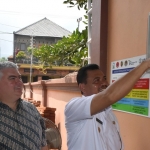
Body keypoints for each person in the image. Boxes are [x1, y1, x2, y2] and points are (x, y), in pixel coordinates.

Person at [65, 59, 150, 150]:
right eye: (97, 80)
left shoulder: (109, 114)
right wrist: (145, 65)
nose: (105, 83)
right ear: (83, 87)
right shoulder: (73, 107)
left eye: (104, 78)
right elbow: (108, 96)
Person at [0, 61, 48, 150]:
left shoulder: (32, 109)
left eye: (20, 78)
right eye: (12, 78)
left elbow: (43, 144)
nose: (20, 83)